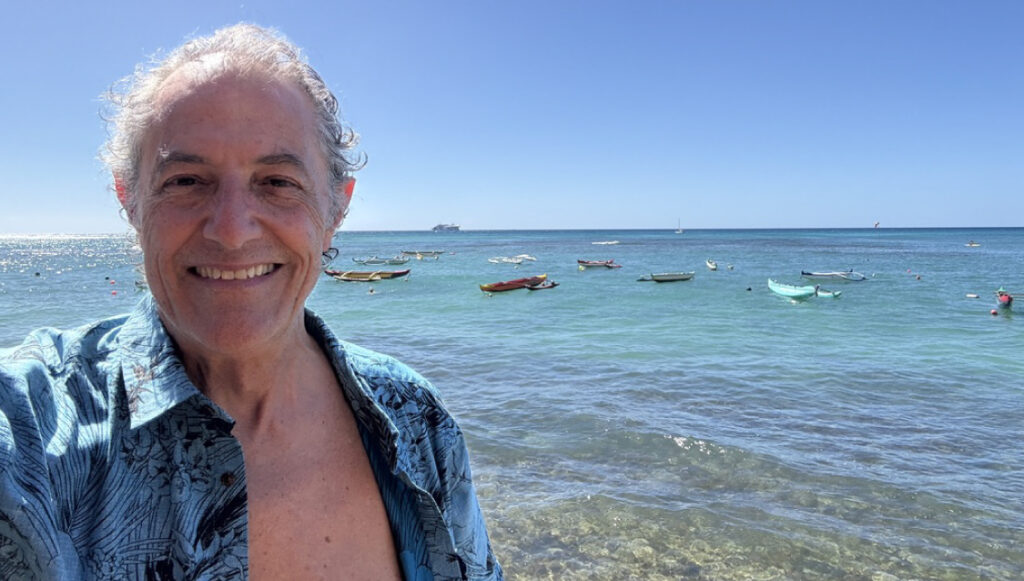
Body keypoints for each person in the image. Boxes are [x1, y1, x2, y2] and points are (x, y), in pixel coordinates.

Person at [0, 23, 502, 580]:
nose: (233, 231)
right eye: (187, 180)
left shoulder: (413, 418)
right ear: (131, 202)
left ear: (335, 209)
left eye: (277, 182)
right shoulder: (34, 428)